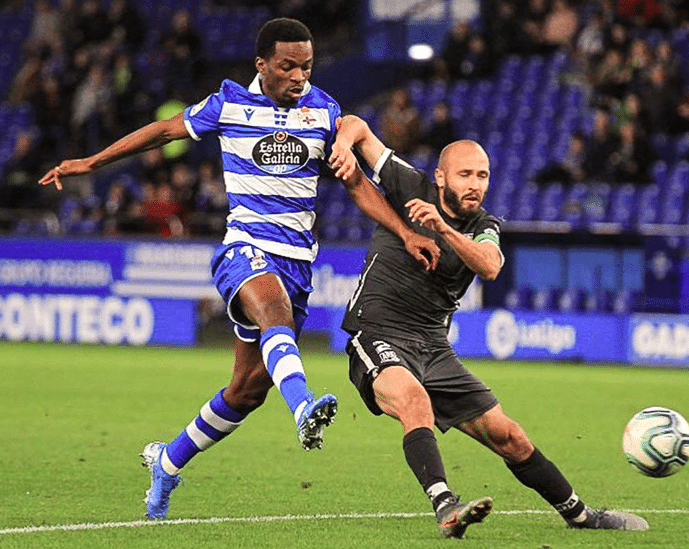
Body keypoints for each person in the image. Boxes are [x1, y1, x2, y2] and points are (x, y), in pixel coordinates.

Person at [38, 18, 440, 520]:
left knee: (246, 391)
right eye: (288, 66)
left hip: (297, 263)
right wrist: (92, 163)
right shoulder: (228, 103)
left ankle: (167, 461)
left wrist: (405, 232)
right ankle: (304, 407)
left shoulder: (324, 111)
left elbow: (357, 184)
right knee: (271, 313)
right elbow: (165, 131)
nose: (299, 76)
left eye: (307, 66)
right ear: (262, 65)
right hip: (244, 249)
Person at [328, 115, 649, 538]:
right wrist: (342, 145)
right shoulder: (410, 184)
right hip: (378, 332)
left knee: (509, 435)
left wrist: (441, 228)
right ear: (440, 177)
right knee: (413, 400)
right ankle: (446, 507)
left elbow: (491, 265)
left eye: (483, 175)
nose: (475, 183)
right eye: (465, 174)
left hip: (433, 346)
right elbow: (356, 126)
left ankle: (582, 515)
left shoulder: (485, 226)